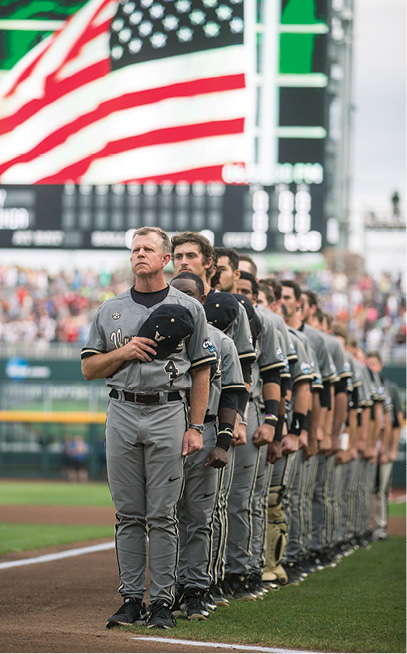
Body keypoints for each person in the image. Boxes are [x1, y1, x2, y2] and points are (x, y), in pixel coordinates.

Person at [81, 226, 216, 630]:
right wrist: (123, 352)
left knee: (162, 514)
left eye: (148, 249)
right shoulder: (110, 309)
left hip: (167, 410)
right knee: (127, 514)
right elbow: (89, 367)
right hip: (121, 409)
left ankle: (161, 601)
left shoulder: (189, 307)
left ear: (165, 259)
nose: (140, 254)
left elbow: (203, 372)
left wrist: (195, 427)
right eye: (135, 249)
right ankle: (130, 600)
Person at [169, 272, 246, 619]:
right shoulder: (158, 335)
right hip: (166, 429)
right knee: (164, 516)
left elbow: (233, 392)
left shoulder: (221, 341)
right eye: (175, 292)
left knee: (198, 517)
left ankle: (196, 589)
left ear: (201, 301)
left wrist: (225, 443)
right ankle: (165, 591)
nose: (181, 298)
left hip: (209, 429)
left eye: (188, 293)